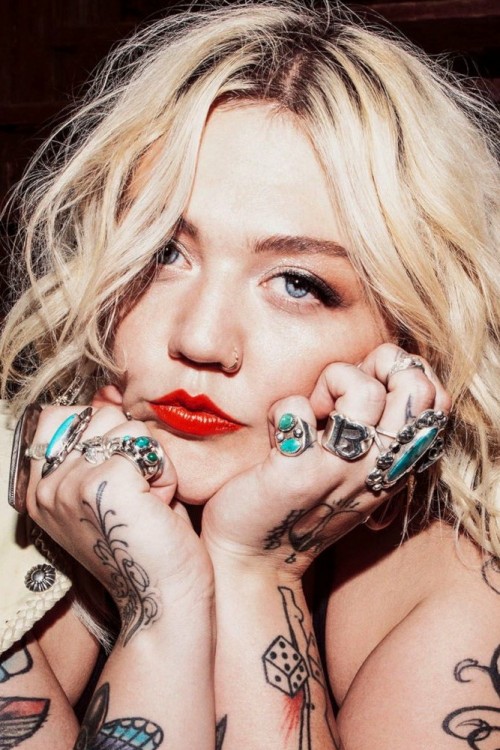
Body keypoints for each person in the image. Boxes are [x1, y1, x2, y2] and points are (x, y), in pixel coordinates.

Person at [0, 2, 499, 748]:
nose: (201, 339)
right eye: (163, 254)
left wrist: (253, 569)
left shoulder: (458, 580)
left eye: (297, 283)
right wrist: (164, 605)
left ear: (412, 337)